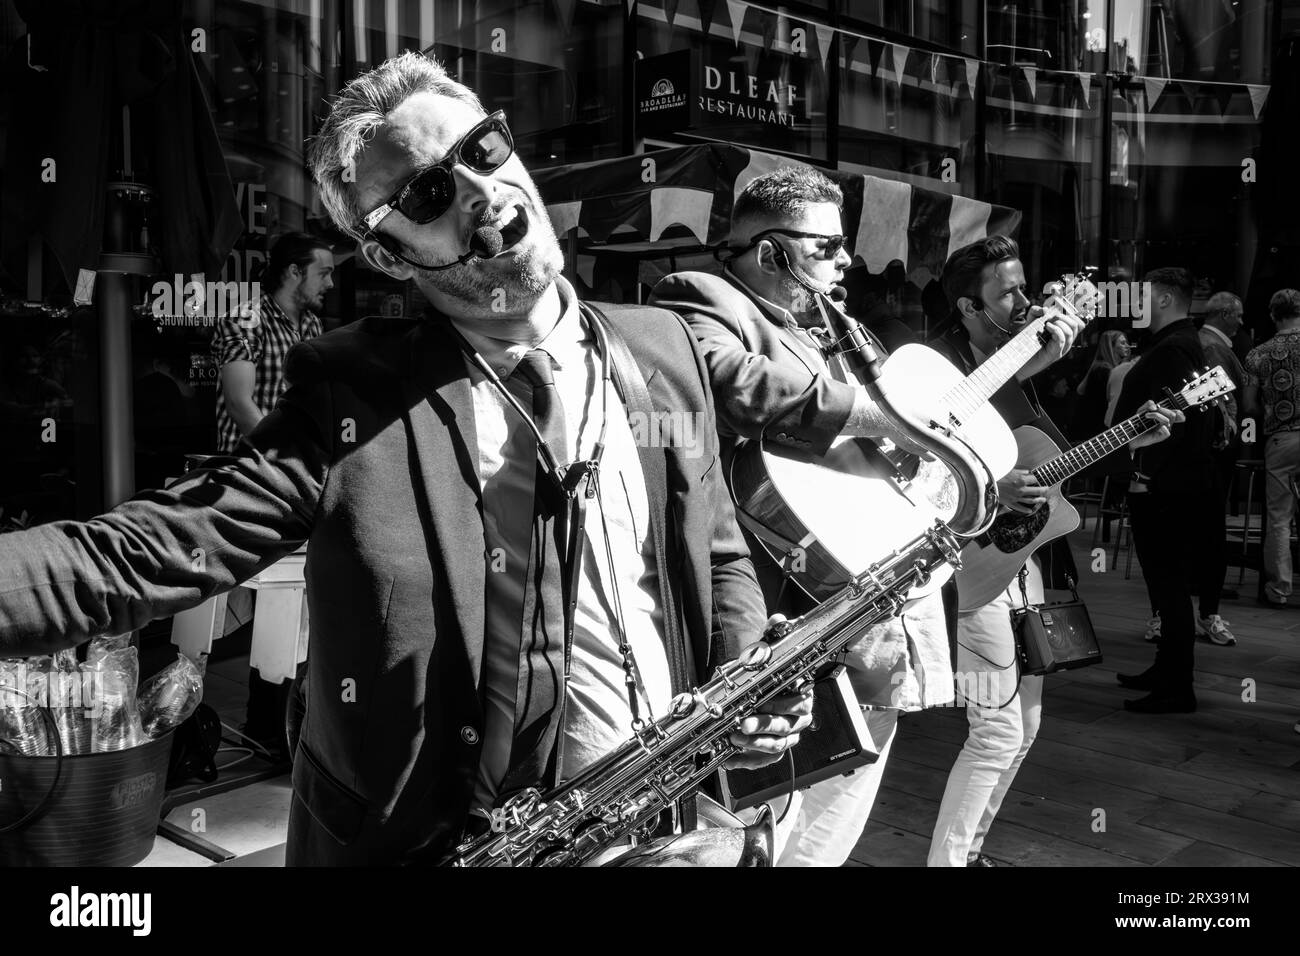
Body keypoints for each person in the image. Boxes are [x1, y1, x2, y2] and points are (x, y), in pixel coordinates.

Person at [0, 52, 809, 866]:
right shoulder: (349, 390)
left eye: (483, 151)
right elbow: (140, 552)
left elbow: (714, 546)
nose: (480, 194)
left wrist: (746, 679)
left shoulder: (661, 344)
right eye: (428, 194)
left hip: (655, 823)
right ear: (389, 256)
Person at [651, 166, 976, 867]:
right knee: (768, 821)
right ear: (770, 252)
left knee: (834, 820)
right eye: (826, 247)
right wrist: (875, 413)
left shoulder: (834, 324)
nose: (845, 260)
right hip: (782, 613)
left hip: (867, 604)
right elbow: (731, 384)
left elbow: (882, 435)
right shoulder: (698, 296)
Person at [924, 239, 1176, 865]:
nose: (1024, 301)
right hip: (967, 569)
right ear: (968, 306)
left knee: (1024, 728)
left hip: (1020, 565)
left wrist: (1131, 435)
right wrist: (993, 484)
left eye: (1023, 285)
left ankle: (969, 852)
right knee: (997, 730)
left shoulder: (1023, 380)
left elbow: (1054, 468)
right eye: (1006, 291)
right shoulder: (943, 371)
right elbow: (919, 464)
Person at [211, 231, 335, 756]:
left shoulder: (311, 326)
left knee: (295, 600)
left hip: (292, 479)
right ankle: (187, 719)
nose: (330, 282)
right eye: (323, 272)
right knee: (218, 608)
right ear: (292, 273)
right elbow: (241, 404)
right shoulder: (244, 319)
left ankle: (272, 726)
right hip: (246, 477)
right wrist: (284, 460)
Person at [1114, 267, 1218, 713]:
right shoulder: (1177, 344)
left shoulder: (1176, 347)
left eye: (1143, 294)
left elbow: (1187, 423)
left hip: (1164, 487)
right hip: (1167, 483)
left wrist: (1145, 477)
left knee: (1168, 582)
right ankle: (1167, 669)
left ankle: (1177, 685)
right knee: (1163, 583)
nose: (1134, 301)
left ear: (1163, 299)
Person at [1193, 291, 1246, 643]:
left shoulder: (1208, 343)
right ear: (1225, 314)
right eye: (1239, 315)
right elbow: (1218, 406)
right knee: (1209, 530)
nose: (1241, 322)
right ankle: (1205, 612)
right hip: (1211, 459)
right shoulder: (1213, 347)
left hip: (1208, 457)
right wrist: (1225, 444)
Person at [1242, 288, 1300, 608]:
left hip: (1281, 439)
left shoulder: (1257, 354)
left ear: (1273, 315)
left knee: (1279, 518)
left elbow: (1248, 406)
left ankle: (1278, 590)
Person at [1072, 330, 1130, 440]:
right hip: (1093, 432)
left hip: (1092, 430)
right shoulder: (1103, 370)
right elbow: (1103, 406)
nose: (1127, 346)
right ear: (1110, 346)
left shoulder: (1102, 367)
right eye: (1122, 343)